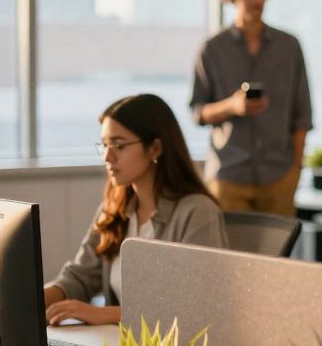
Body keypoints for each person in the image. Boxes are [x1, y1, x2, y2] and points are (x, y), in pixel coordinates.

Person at [44, 94, 228, 326]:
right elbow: (80, 276)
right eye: (104, 145)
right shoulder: (113, 209)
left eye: (119, 145)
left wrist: (104, 314)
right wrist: (35, 300)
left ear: (155, 148)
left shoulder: (197, 212)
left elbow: (197, 305)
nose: (107, 157)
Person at [190, 0, 312, 217]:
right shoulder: (212, 49)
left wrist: (296, 169)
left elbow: (302, 113)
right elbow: (197, 112)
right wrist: (232, 106)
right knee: (227, 256)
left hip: (278, 175)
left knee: (276, 256)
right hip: (228, 174)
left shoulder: (289, 47)